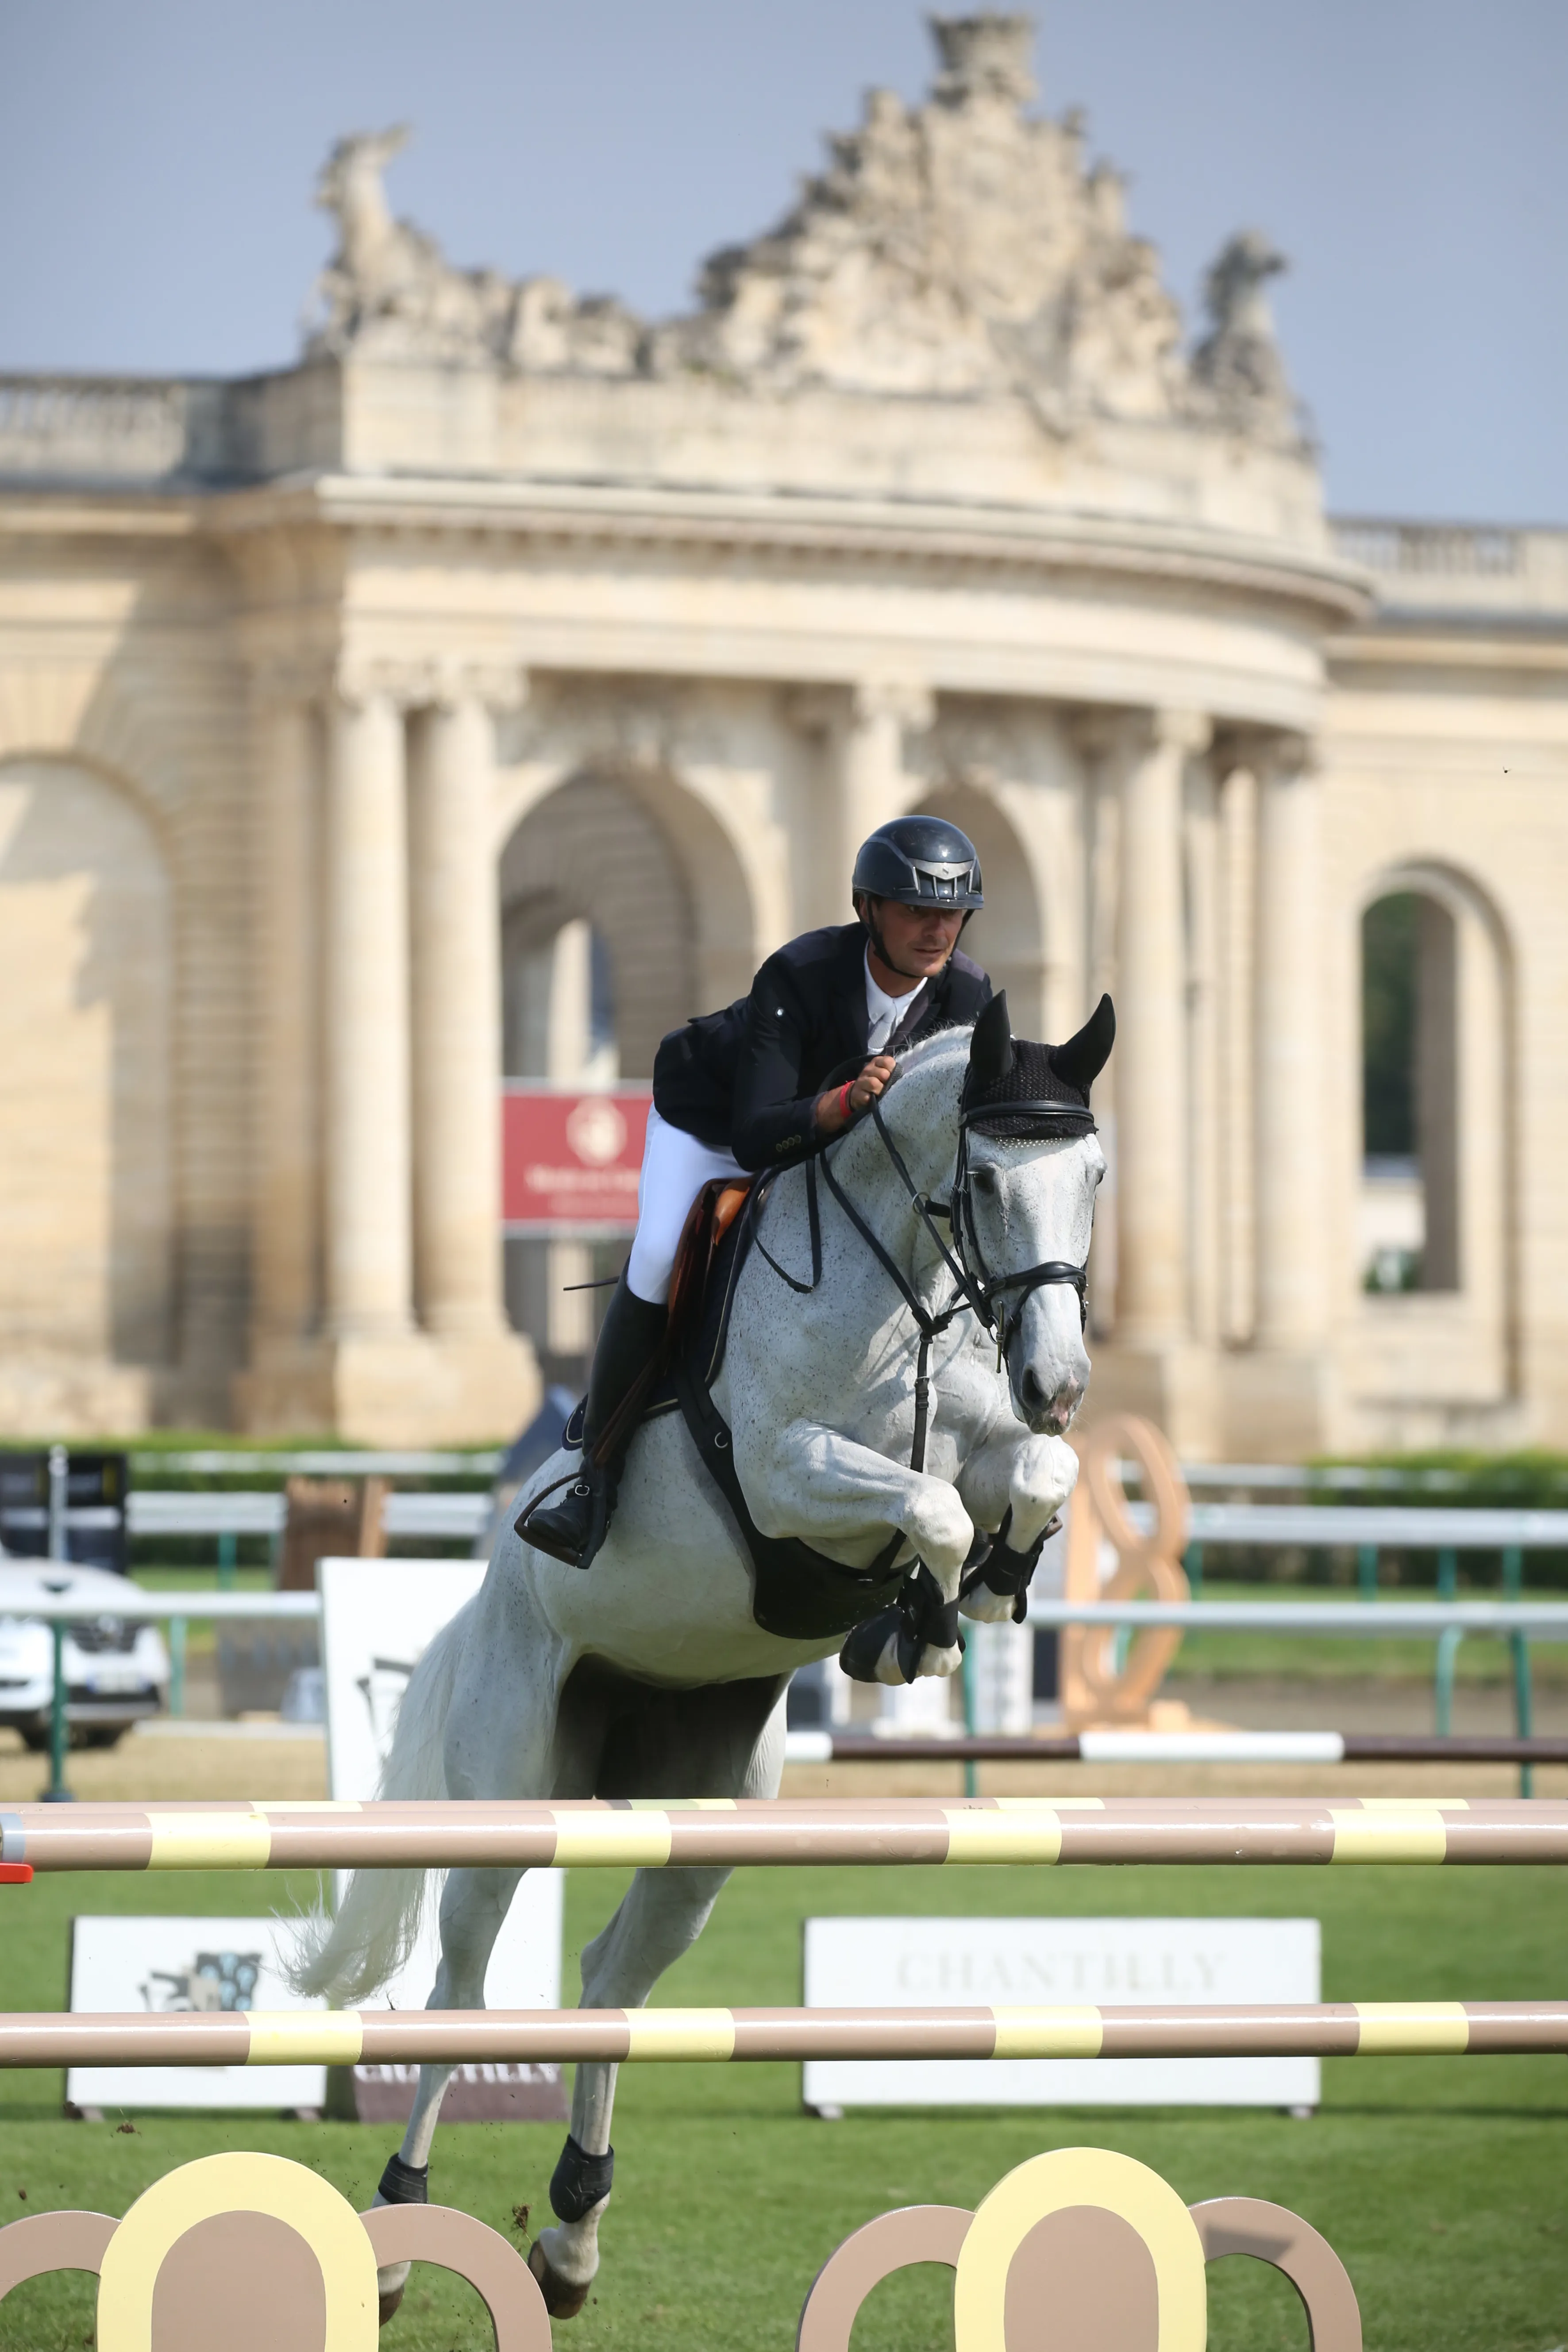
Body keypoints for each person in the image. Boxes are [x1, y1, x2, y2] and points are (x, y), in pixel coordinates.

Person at [519, 814, 992, 1568]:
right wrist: (839, 1104)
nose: (938, 930)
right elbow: (753, 1135)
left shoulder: (966, 991)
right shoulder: (800, 973)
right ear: (868, 908)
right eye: (916, 911)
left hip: (842, 1145)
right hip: (711, 1123)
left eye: (951, 913)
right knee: (653, 1256)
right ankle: (593, 1480)